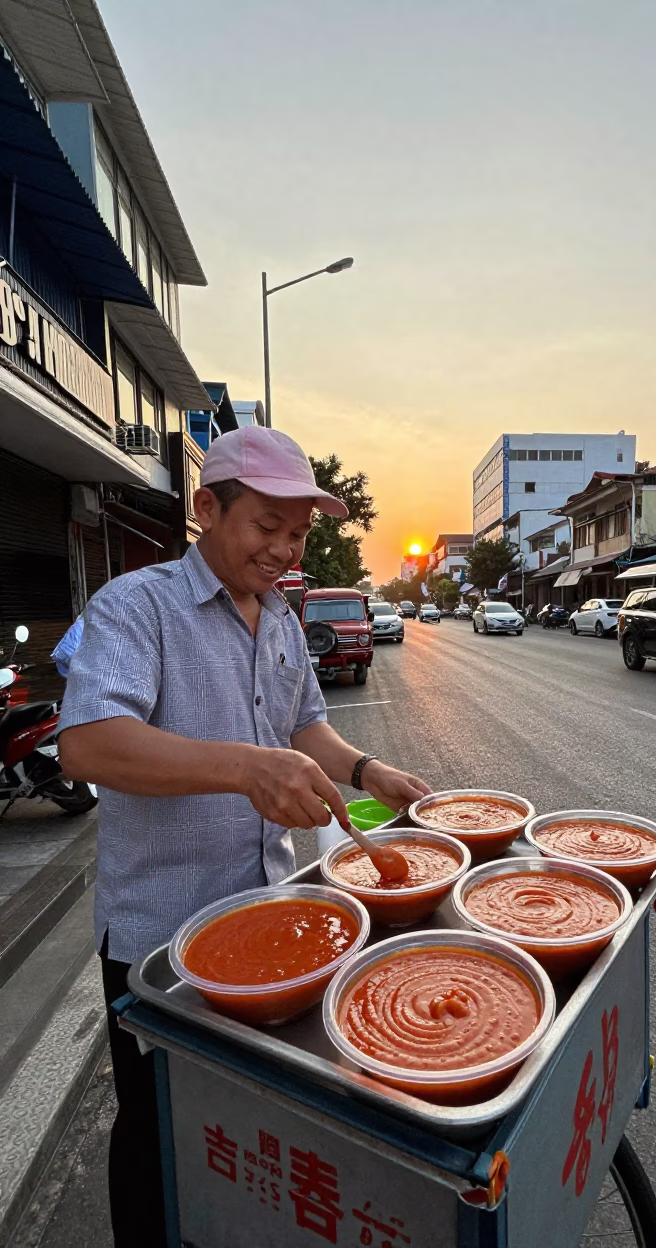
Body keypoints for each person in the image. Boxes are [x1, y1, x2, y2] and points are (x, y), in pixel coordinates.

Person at [58, 426, 431, 1247]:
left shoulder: (285, 623)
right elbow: (88, 743)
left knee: (246, 1129)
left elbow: (308, 729)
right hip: (160, 939)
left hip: (272, 920)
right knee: (156, 1130)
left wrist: (367, 772)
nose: (283, 549)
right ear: (207, 508)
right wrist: (243, 770)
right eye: (266, 525)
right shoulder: (136, 606)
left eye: (297, 533)